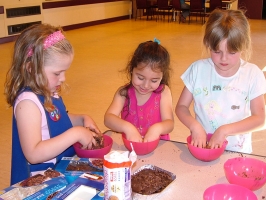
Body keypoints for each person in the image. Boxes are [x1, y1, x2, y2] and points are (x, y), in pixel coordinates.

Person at [4, 24, 101, 185]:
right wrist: (75, 134)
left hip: (60, 171)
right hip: (39, 183)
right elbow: (33, 153)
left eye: (64, 71)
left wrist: (82, 119)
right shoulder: (27, 104)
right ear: (31, 68)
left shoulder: (48, 88)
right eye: (57, 73)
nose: (63, 78)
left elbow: (55, 118)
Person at [175, 9, 266, 153]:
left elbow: (259, 117)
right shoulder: (197, 70)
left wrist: (224, 130)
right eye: (216, 51)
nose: (224, 59)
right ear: (208, 44)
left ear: (243, 46)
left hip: (237, 152)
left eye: (232, 52)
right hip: (203, 148)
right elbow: (181, 107)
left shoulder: (252, 74)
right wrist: (195, 126)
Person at [104, 39, 174, 142]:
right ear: (132, 70)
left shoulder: (164, 92)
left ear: (162, 76)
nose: (145, 85)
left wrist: (157, 129)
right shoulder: (123, 93)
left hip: (158, 146)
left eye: (154, 80)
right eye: (140, 78)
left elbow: (169, 123)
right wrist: (127, 128)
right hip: (130, 146)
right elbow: (108, 119)